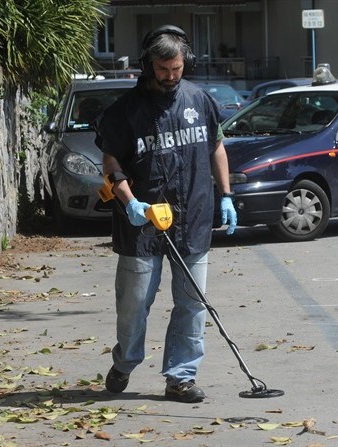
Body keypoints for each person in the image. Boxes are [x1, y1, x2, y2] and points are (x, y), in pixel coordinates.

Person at [94, 24, 237, 403]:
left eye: (177, 68)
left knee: (192, 303)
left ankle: (181, 377)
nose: (171, 76)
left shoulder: (199, 100)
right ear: (147, 65)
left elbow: (217, 147)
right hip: (142, 226)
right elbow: (110, 161)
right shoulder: (125, 112)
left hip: (193, 220)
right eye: (163, 69)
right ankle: (125, 362)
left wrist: (227, 195)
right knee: (135, 304)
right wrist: (130, 202)